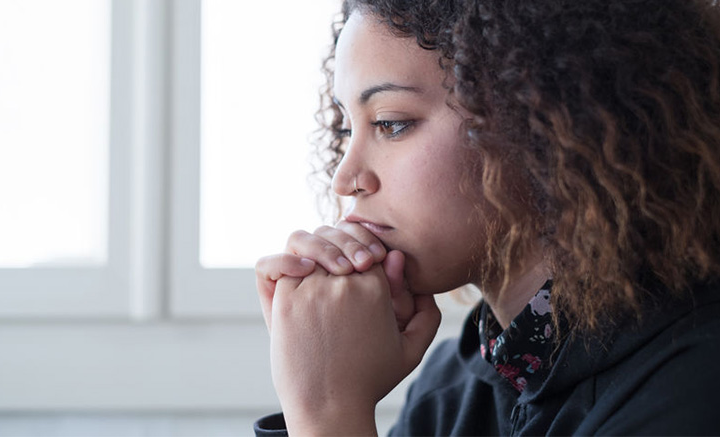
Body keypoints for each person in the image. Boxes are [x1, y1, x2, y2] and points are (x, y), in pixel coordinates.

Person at [254, 0, 720, 435]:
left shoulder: (696, 385)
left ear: (539, 118)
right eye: (346, 127)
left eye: (391, 123)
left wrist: (327, 412)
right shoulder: (449, 389)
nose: (345, 177)